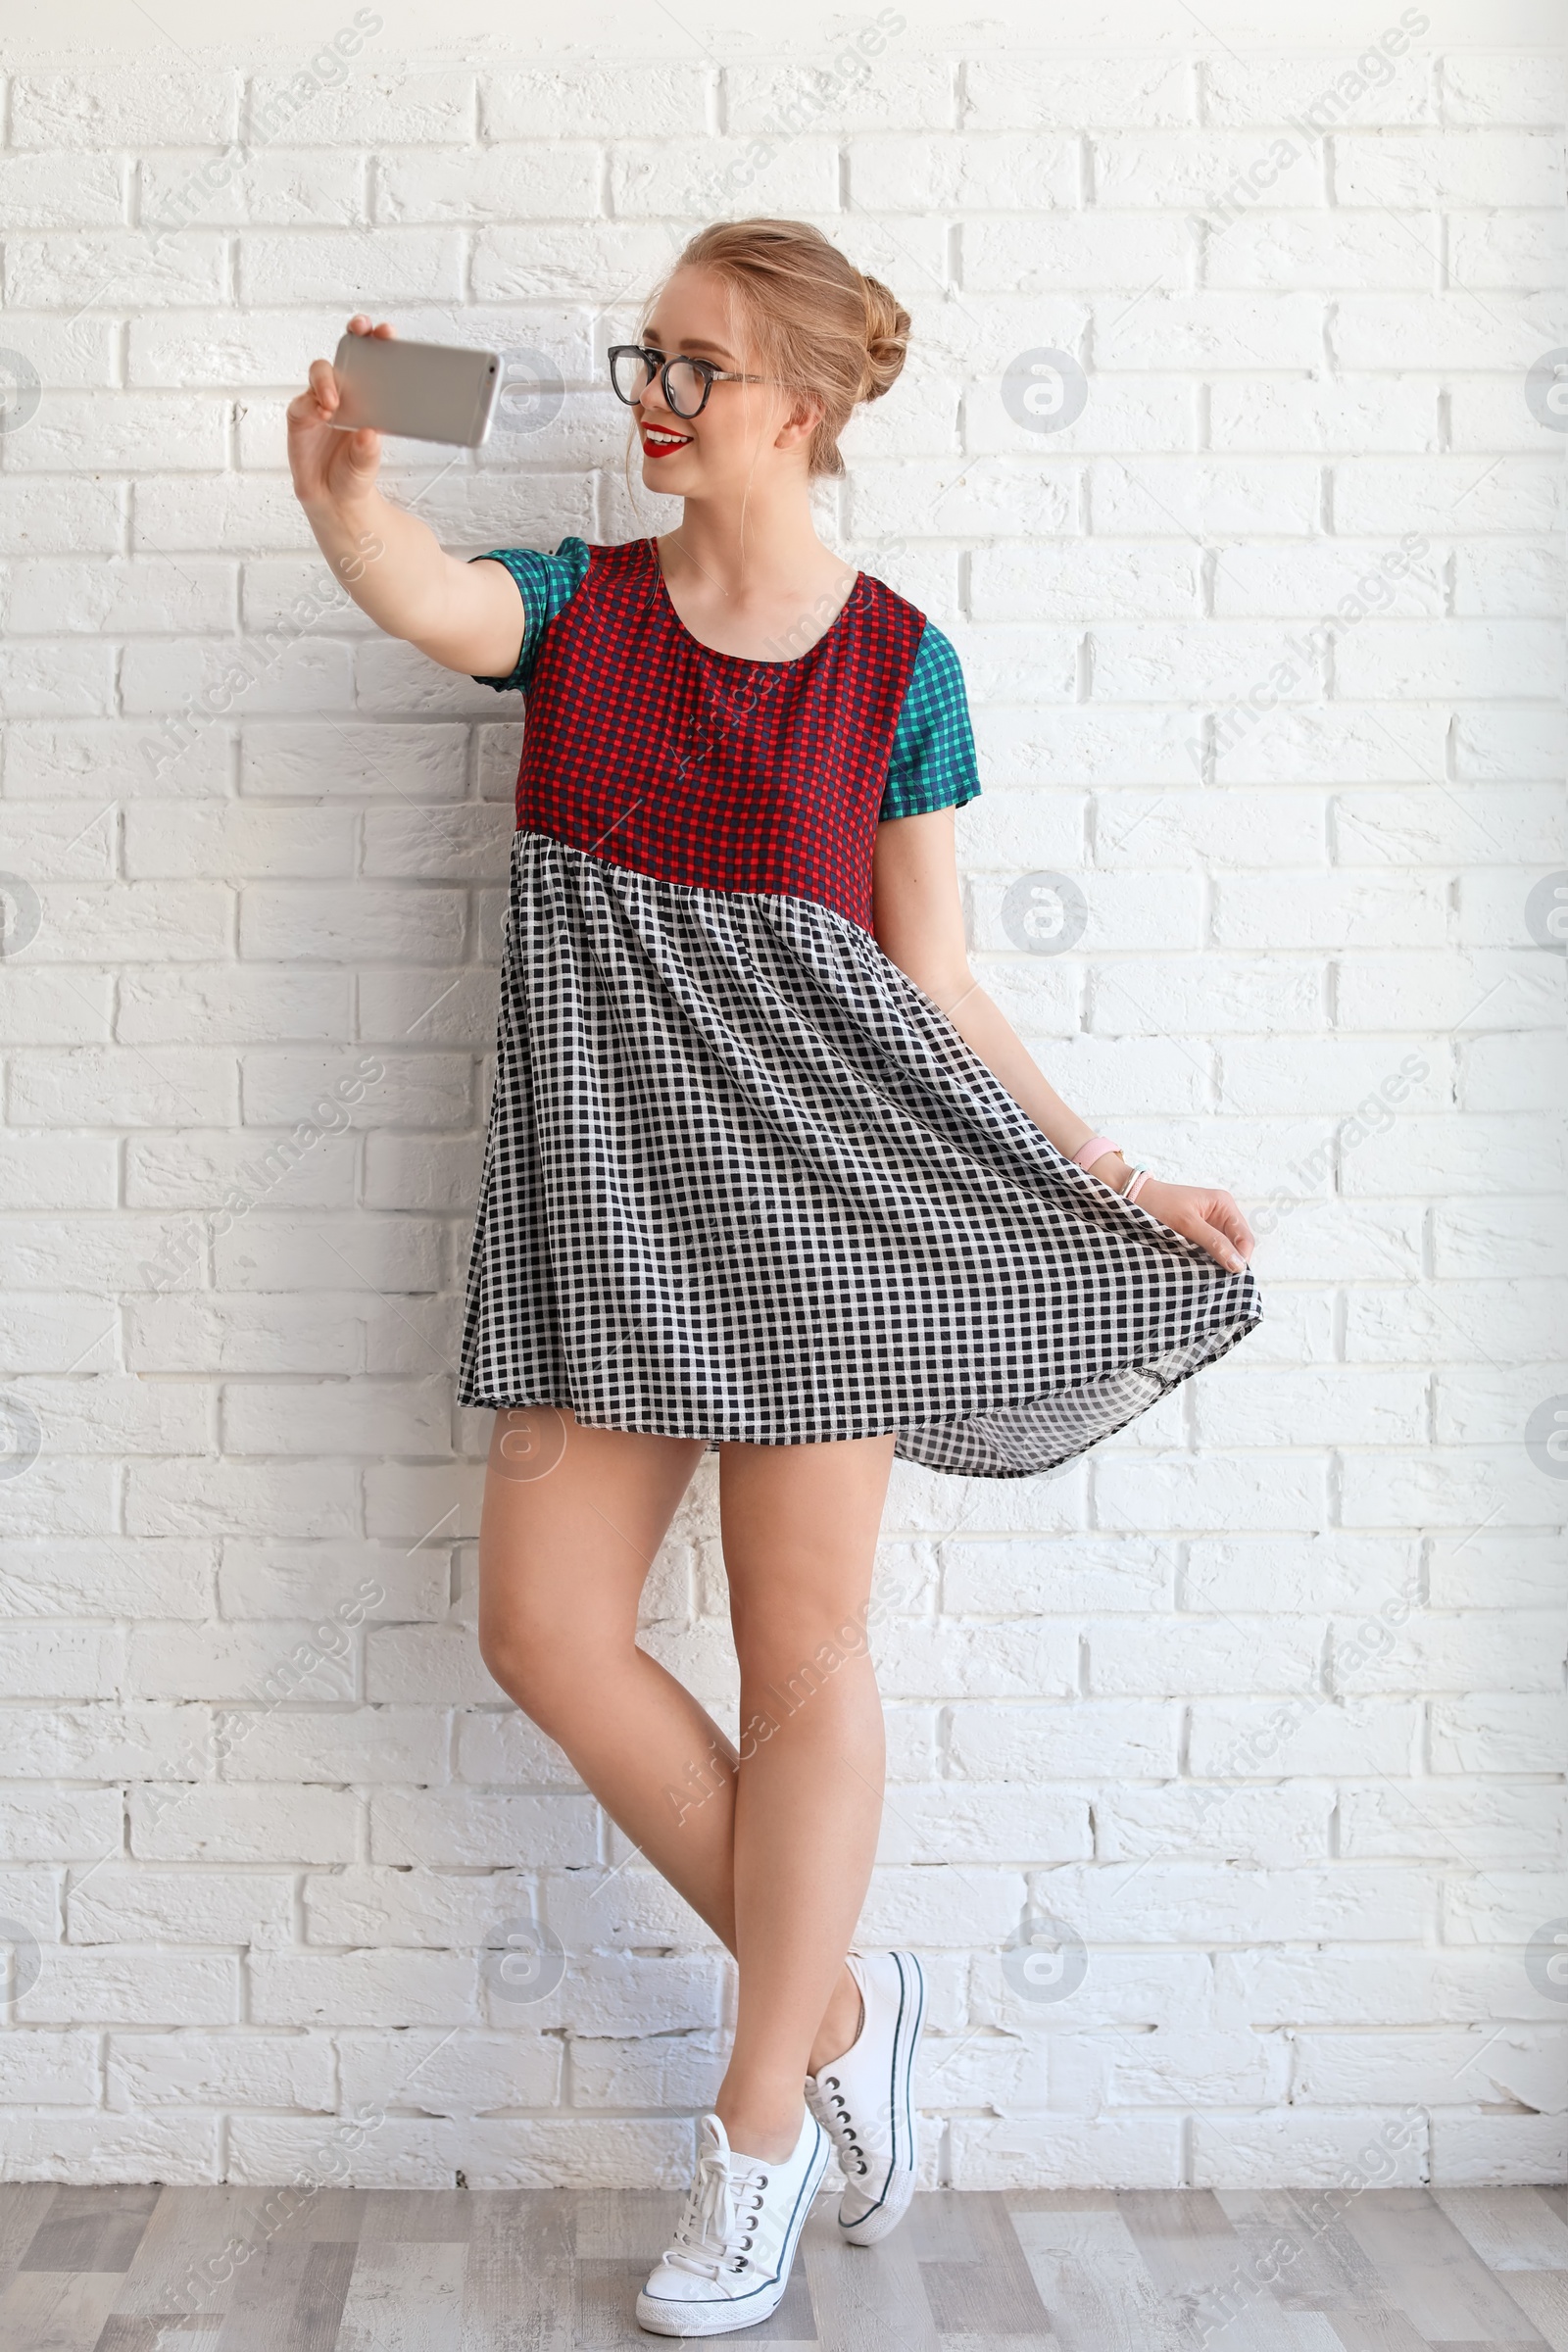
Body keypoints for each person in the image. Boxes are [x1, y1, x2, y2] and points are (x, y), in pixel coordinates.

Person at [287, 216, 1259, 2337]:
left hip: (819, 1214)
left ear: (800, 411)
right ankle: (834, 2016)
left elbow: (932, 972)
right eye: (647, 354)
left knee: (802, 1664)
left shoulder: (901, 661)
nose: (649, 393)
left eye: (692, 367)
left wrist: (1114, 1169)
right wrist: (352, 489)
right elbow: (434, 601)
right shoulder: (577, 608)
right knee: (544, 1631)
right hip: (601, 1209)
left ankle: (747, 2136)